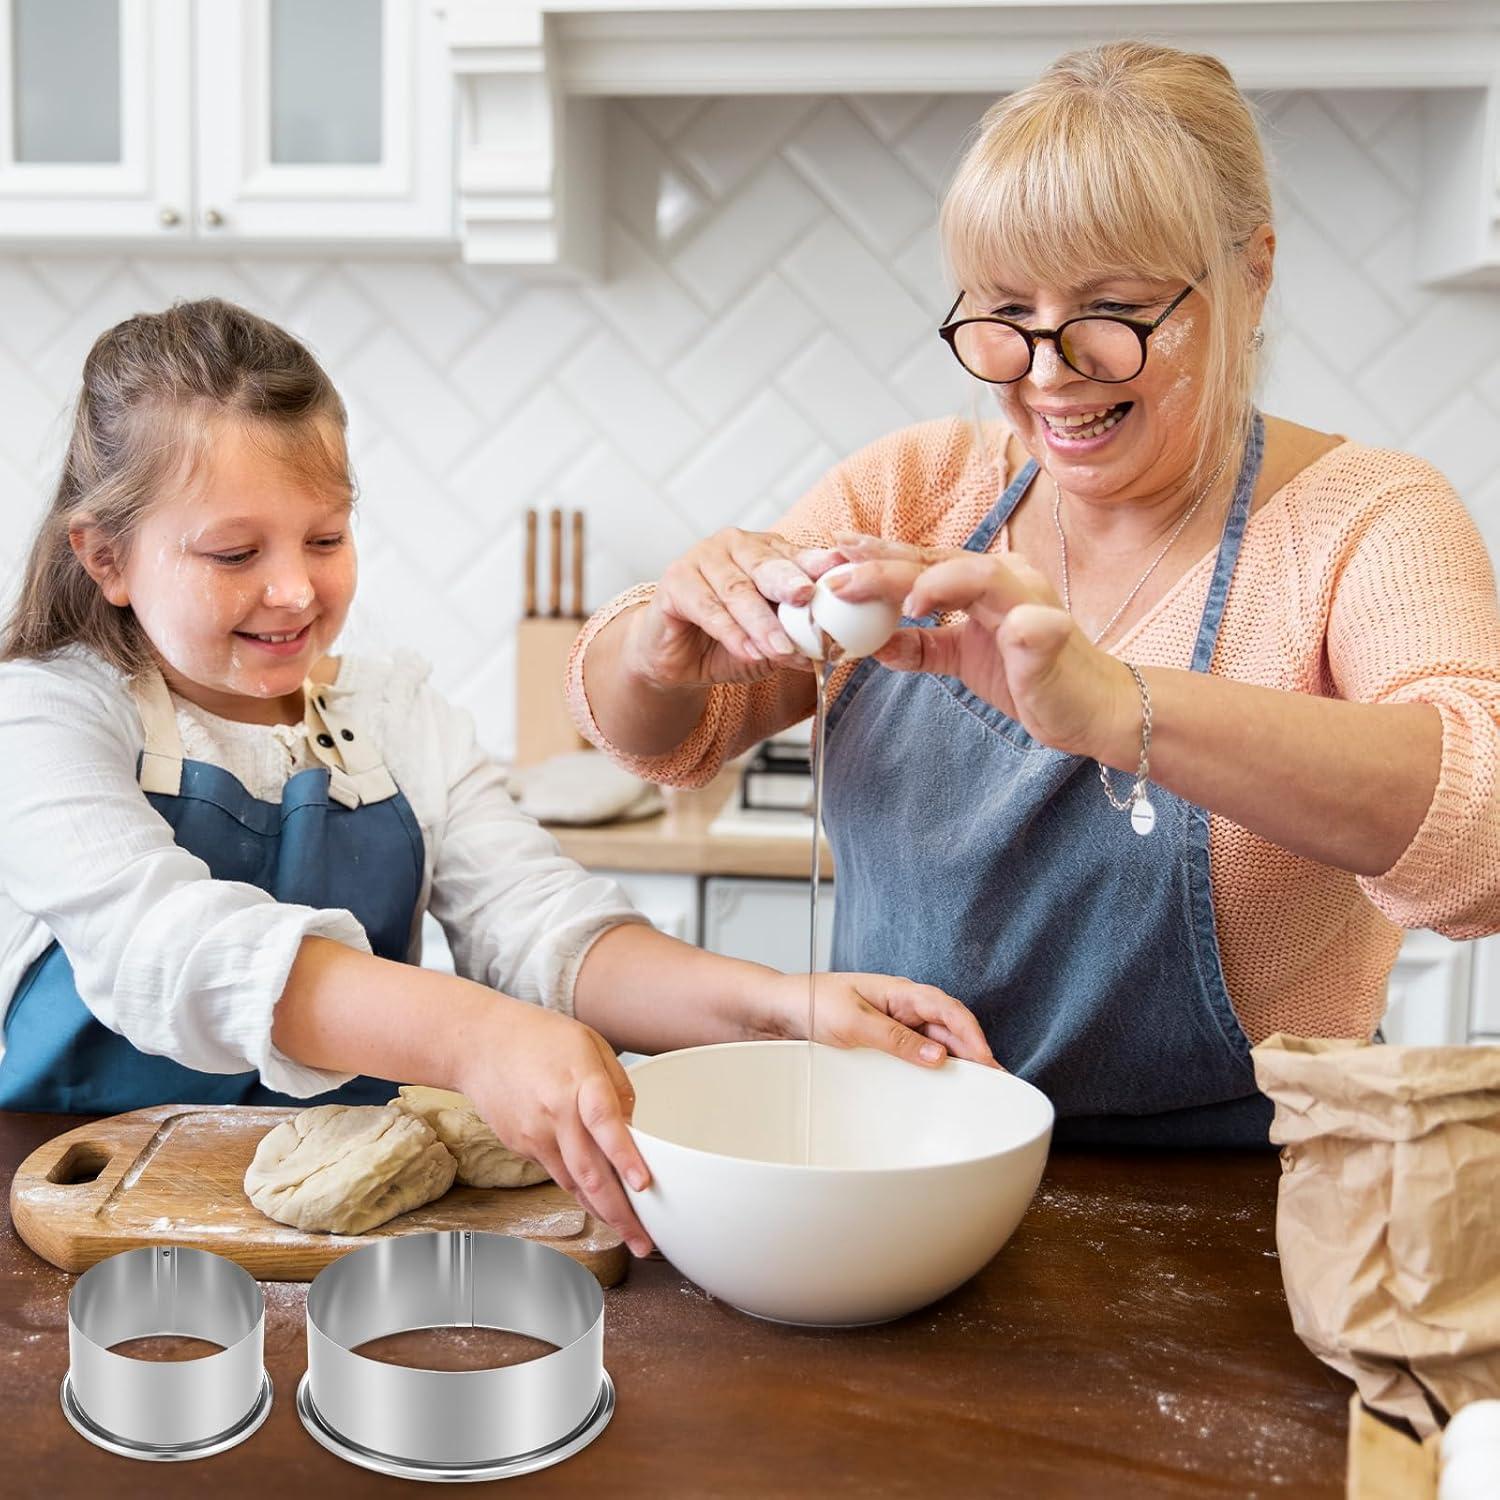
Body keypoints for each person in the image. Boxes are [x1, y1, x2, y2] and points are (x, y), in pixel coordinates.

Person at [568, 41, 1500, 1147]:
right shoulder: (917, 488)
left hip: (1255, 1204)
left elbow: (1482, 839)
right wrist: (655, 646)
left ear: (1251, 274)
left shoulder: (1366, 520)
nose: (1048, 372)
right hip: (901, 1167)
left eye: (1113, 309)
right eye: (1006, 311)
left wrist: (1116, 706)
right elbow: (664, 738)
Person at [0, 298, 994, 1255]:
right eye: (234, 552)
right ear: (106, 557)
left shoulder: (392, 716)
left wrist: (777, 1008)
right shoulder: (44, 717)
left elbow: (538, 924)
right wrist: (475, 1037)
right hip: (77, 1208)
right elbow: (168, 943)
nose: (295, 588)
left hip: (364, 1236)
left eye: (326, 538)